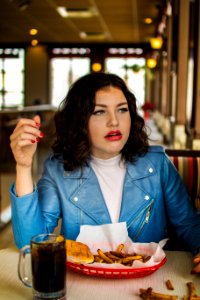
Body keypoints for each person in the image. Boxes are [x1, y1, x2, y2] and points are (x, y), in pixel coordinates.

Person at [10, 72, 200, 273]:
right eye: (99, 112)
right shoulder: (58, 169)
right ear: (79, 120)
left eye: (122, 110)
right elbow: (30, 243)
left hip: (151, 282)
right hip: (84, 285)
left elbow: (188, 223)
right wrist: (23, 167)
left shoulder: (158, 164)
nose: (114, 122)